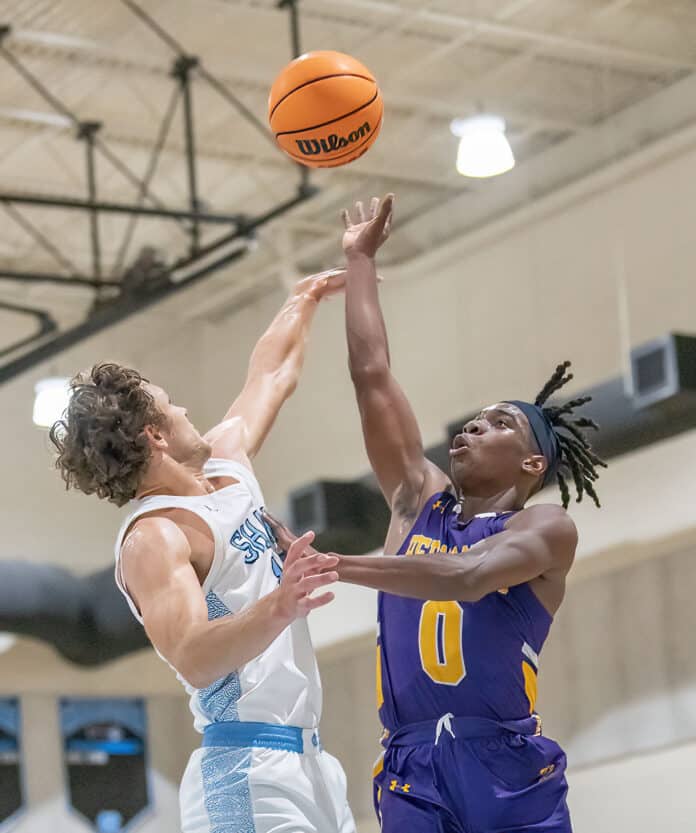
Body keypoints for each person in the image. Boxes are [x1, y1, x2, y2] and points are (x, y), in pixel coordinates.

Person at [266, 195, 606, 833]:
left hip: (506, 764)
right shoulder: (414, 498)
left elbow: (467, 577)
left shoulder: (545, 529)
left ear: (533, 465)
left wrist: (334, 564)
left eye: (500, 423)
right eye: (476, 416)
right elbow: (372, 375)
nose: (477, 424)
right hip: (412, 764)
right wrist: (359, 261)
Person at [49, 269, 356, 833]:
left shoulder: (228, 466)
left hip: (313, 760)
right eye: (173, 406)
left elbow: (272, 373)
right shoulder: (154, 535)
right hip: (246, 766)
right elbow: (192, 653)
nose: (187, 409)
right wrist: (280, 604)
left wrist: (304, 296)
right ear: (154, 435)